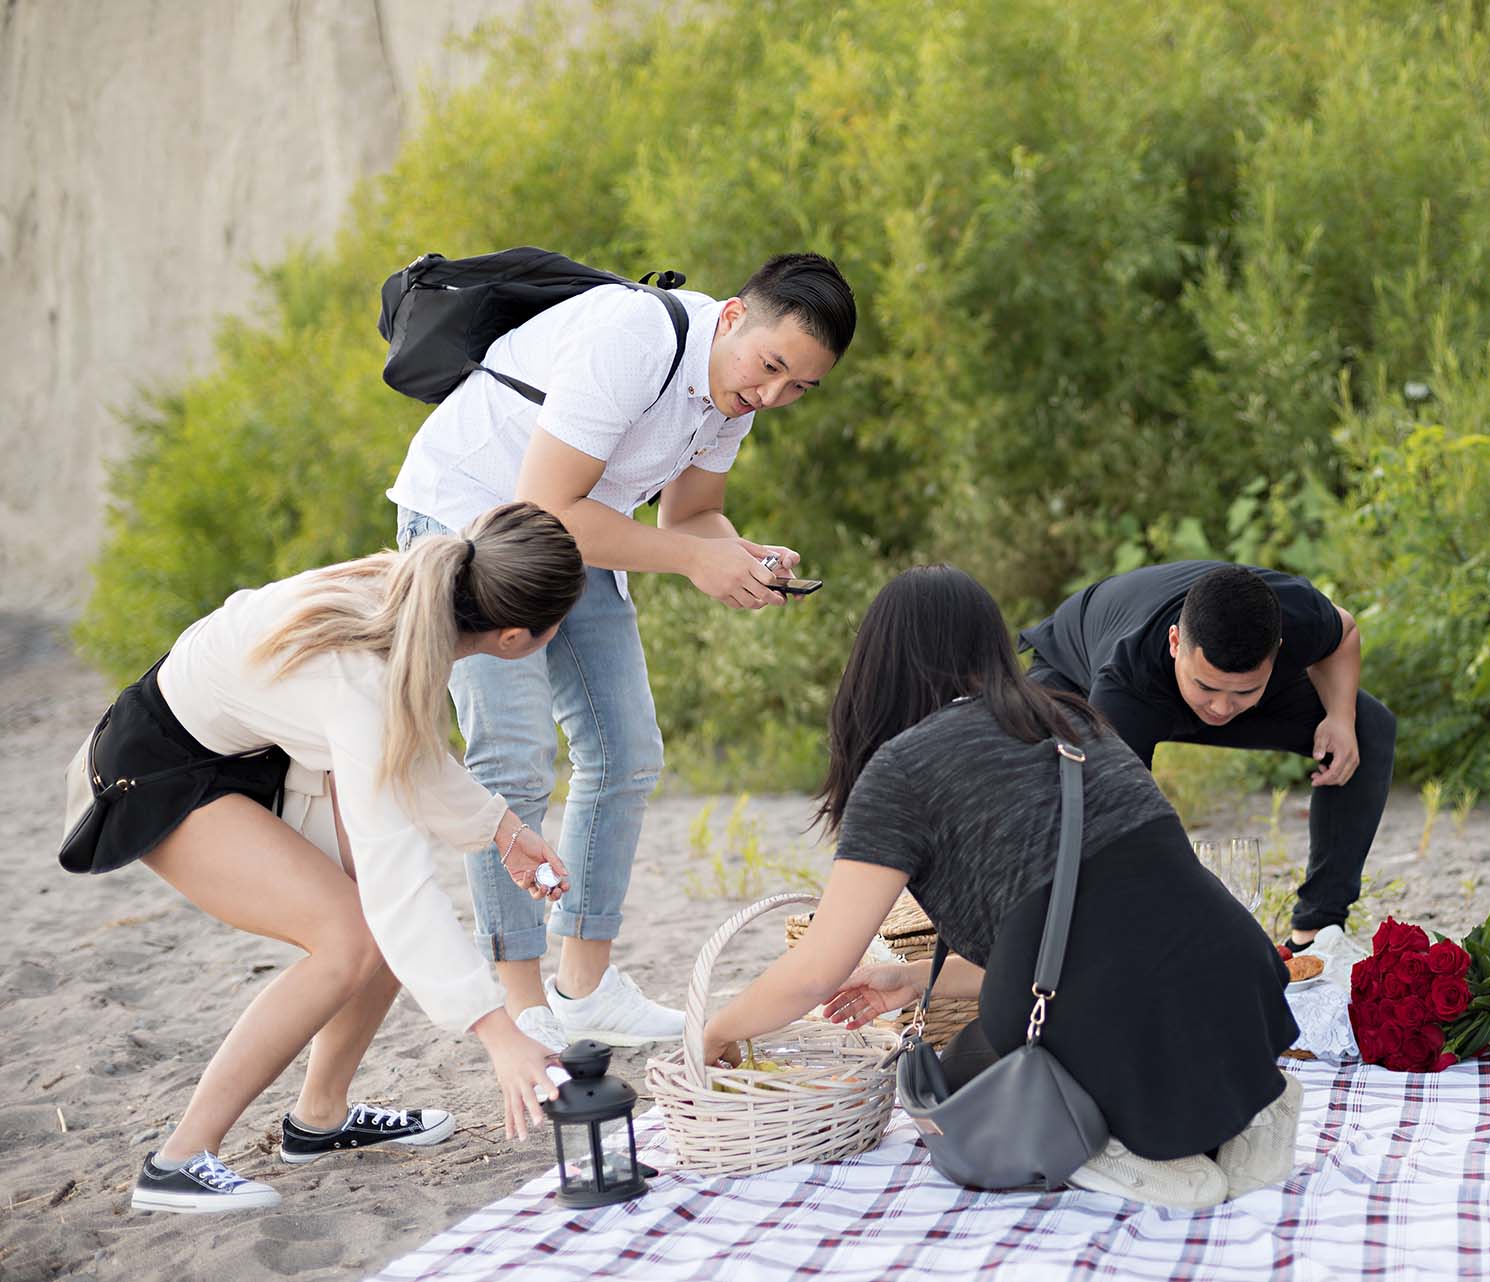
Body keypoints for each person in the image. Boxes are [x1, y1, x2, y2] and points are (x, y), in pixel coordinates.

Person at [700, 566, 1303, 1209]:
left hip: (1122, 1013)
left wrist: (714, 1032)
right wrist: (911, 980)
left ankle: (1114, 1147)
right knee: (1056, 1002)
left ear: (876, 666)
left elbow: (815, 972)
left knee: (972, 1065)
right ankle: (1252, 1108)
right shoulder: (1074, 720)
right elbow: (1090, 929)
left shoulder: (901, 769)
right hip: (1237, 976)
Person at [387, 253, 857, 1050]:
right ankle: (522, 999)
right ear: (736, 317)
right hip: (470, 518)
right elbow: (546, 502)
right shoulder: (635, 340)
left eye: (799, 389)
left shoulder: (734, 396)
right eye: (773, 367)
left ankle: (587, 987)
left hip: (576, 528)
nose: (774, 395)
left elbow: (690, 520)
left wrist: (740, 554)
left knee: (626, 749)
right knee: (514, 756)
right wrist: (695, 560)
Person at [61, 502, 584, 1213]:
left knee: (369, 924)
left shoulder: (415, 593)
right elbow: (399, 881)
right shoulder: (364, 683)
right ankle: (177, 1161)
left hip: (249, 756)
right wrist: (499, 1034)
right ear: (518, 637)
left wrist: (500, 829)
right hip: (151, 772)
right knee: (352, 935)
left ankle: (319, 1120)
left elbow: (408, 758)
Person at [1017, 560, 1395, 950]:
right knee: (1061, 796)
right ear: (1176, 642)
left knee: (1367, 727)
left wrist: (1339, 716)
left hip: (1191, 682)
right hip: (1074, 671)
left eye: (1243, 691)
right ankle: (1047, 949)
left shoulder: (1297, 614)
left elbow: (1344, 628)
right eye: (1208, 687)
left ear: (1278, 651)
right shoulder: (1125, 680)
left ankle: (1317, 934)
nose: (1220, 708)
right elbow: (1122, 821)